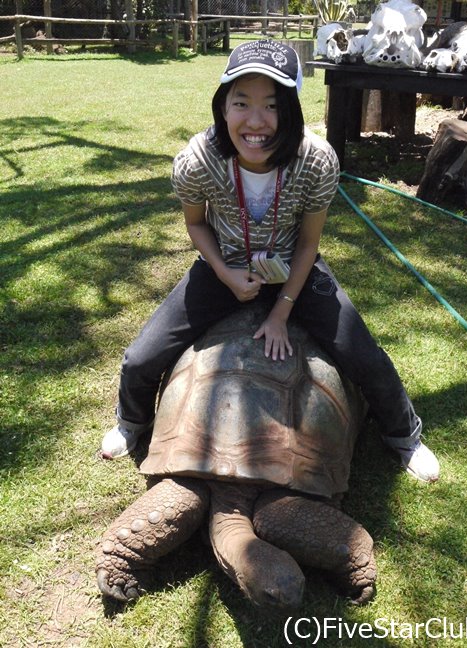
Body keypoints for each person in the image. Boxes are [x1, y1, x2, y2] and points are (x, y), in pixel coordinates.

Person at [101, 40, 439, 483]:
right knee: (140, 360)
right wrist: (224, 272)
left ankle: (404, 435)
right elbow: (197, 225)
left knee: (366, 358)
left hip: (293, 269)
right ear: (223, 107)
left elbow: (307, 245)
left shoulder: (316, 160)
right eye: (241, 102)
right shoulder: (197, 160)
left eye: (272, 105)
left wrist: (282, 312)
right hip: (223, 266)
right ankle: (132, 422)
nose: (255, 121)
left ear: (292, 111)